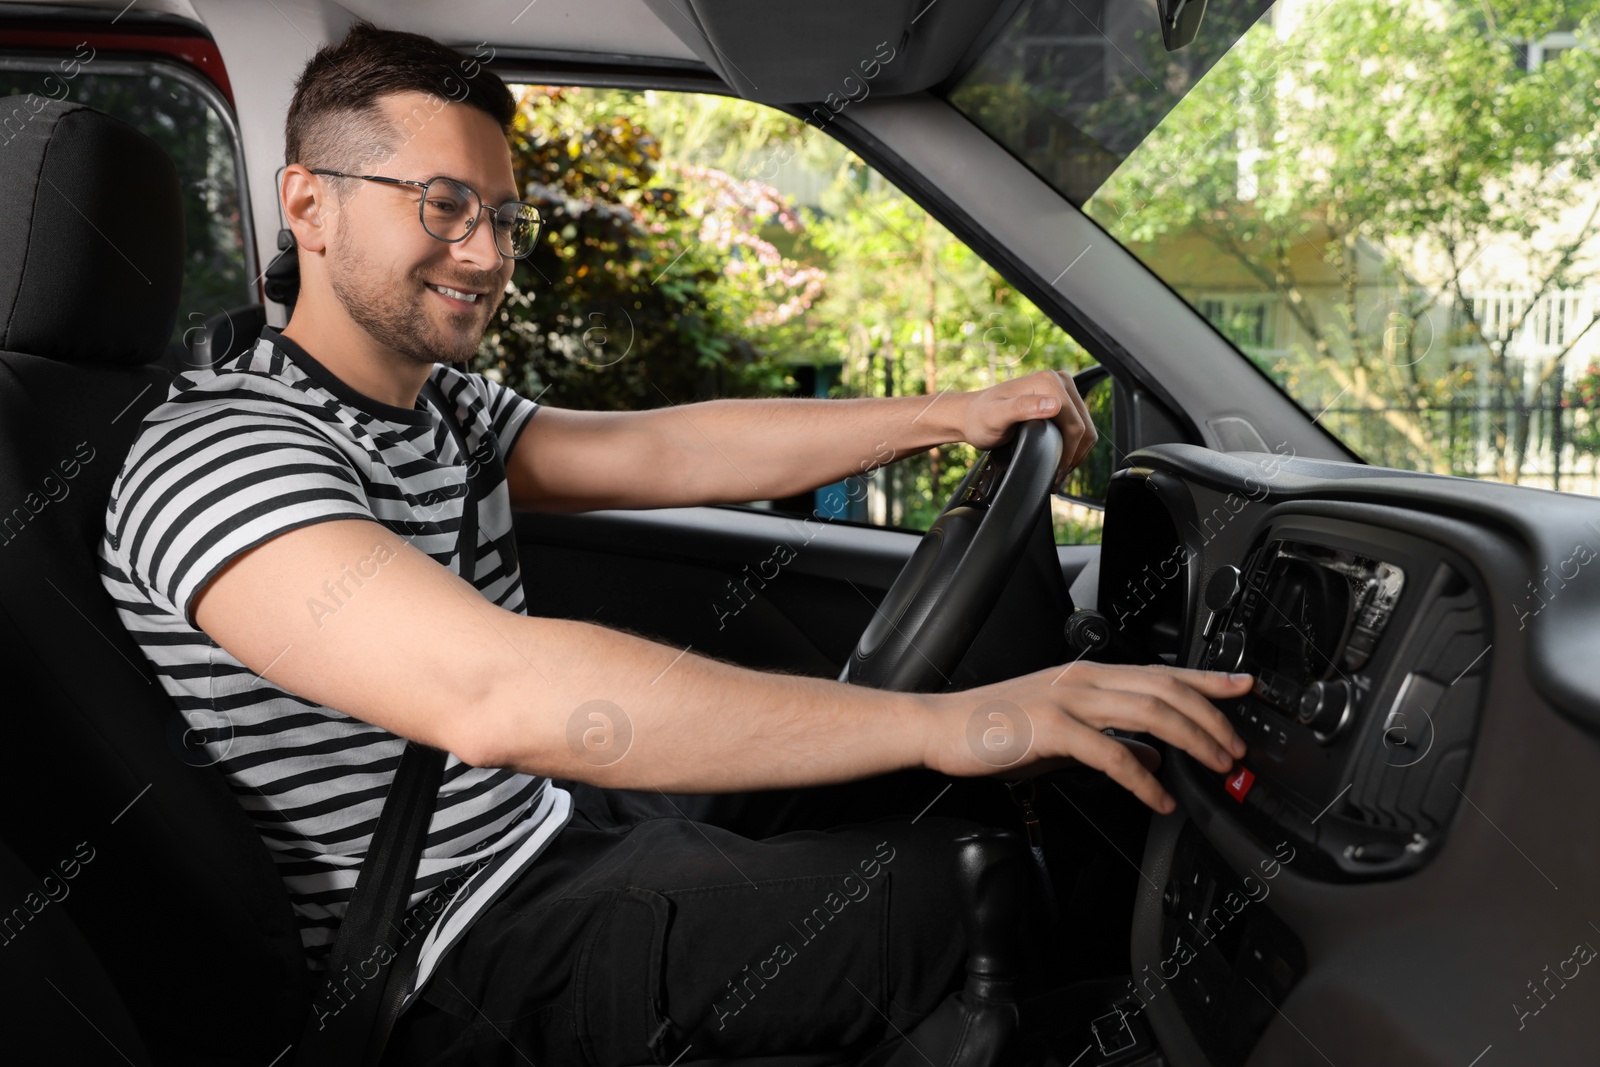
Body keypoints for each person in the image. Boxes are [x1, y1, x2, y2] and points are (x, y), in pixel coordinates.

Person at [98, 20, 1252, 1066]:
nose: (488, 254)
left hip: (549, 825)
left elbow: (663, 454)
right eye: (443, 204)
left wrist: (942, 414)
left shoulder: (432, 405)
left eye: (503, 216)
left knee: (939, 801)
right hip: (444, 949)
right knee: (960, 889)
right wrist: (954, 719)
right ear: (309, 202)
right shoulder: (216, 454)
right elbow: (496, 693)